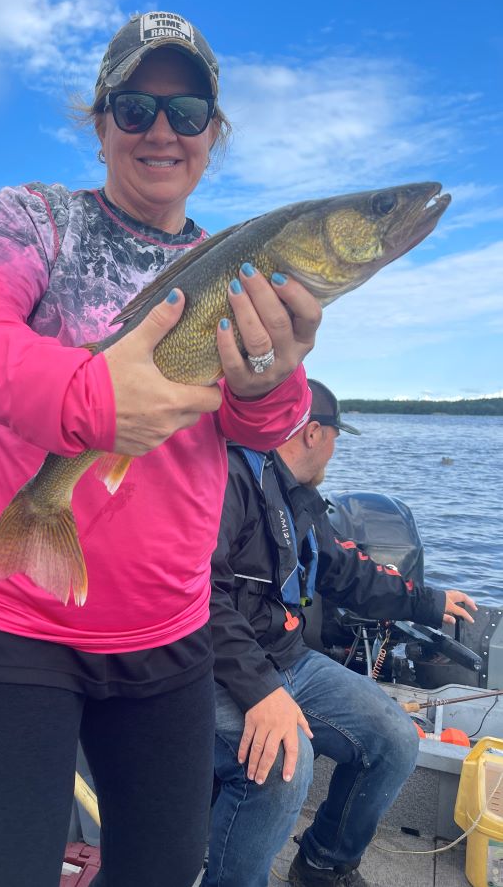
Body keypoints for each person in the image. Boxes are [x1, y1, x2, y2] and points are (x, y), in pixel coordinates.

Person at [0, 11, 323, 887]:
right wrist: (89, 399)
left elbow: (258, 425)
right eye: (136, 106)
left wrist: (271, 383)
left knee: (162, 871)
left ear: (214, 134)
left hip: (167, 635)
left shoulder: (239, 264)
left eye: (187, 113)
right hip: (6, 620)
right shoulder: (38, 219)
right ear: (99, 124)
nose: (161, 131)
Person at [204, 378, 477, 887]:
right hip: (222, 672)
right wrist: (260, 690)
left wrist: (430, 602)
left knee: (394, 738)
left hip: (288, 660)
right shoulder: (230, 479)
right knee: (286, 766)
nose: (335, 447)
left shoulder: (298, 498)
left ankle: (324, 863)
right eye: (335, 435)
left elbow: (348, 573)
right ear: (313, 433)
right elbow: (202, 596)